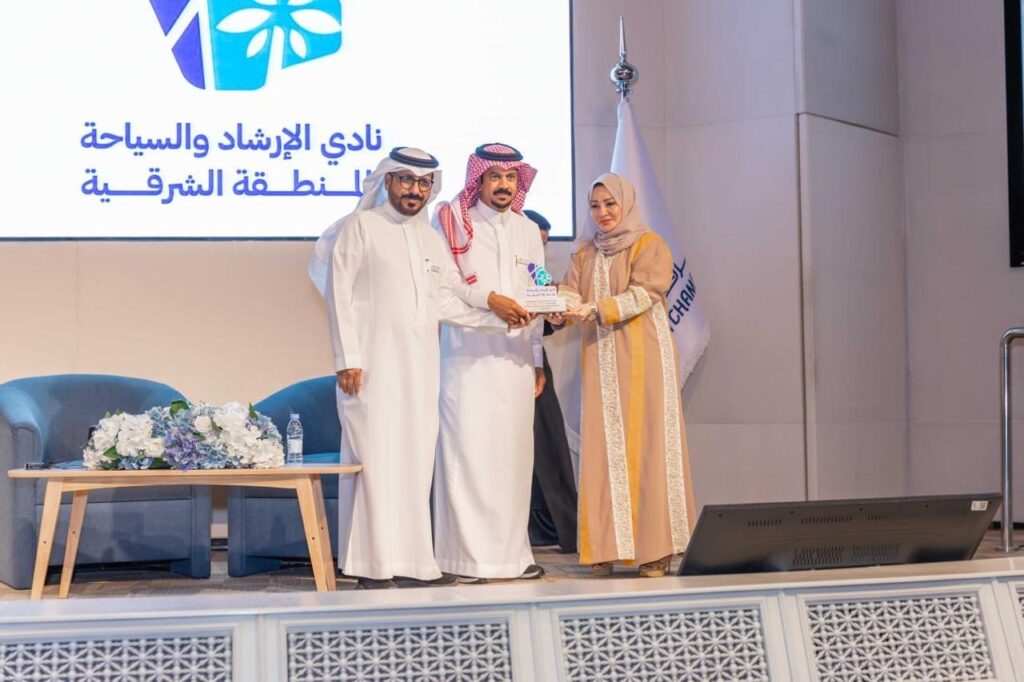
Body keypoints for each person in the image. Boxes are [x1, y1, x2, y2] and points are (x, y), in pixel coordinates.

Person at [308, 147, 505, 589]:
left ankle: (415, 564)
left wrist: (502, 317)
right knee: (375, 461)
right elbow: (339, 294)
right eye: (406, 181)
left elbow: (449, 298)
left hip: (420, 371)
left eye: (423, 183)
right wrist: (347, 358)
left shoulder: (430, 239)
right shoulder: (362, 226)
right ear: (388, 182)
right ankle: (370, 565)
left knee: (415, 462)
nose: (415, 190)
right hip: (369, 369)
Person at [549, 172, 697, 578]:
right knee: (603, 447)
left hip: (645, 358)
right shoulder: (584, 252)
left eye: (610, 204)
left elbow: (645, 292)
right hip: (601, 360)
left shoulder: (650, 244)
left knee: (649, 446)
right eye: (595, 206)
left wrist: (596, 309)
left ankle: (654, 551)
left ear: (626, 204)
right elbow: (571, 291)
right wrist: (557, 305)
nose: (603, 213)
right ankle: (605, 548)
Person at [433, 143, 546, 582]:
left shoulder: (527, 230)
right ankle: (464, 560)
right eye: (494, 177)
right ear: (477, 181)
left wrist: (538, 357)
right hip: (467, 359)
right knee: (469, 455)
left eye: (511, 178)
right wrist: (490, 301)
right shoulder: (452, 221)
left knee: (513, 458)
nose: (503, 185)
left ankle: (512, 557)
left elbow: (537, 288)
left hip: (515, 363)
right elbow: (443, 286)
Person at [523, 209, 578, 554]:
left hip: (534, 362)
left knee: (548, 444)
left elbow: (544, 321)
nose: (539, 248)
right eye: (536, 240)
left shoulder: (536, 270)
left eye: (543, 243)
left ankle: (557, 528)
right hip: (489, 361)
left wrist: (557, 316)